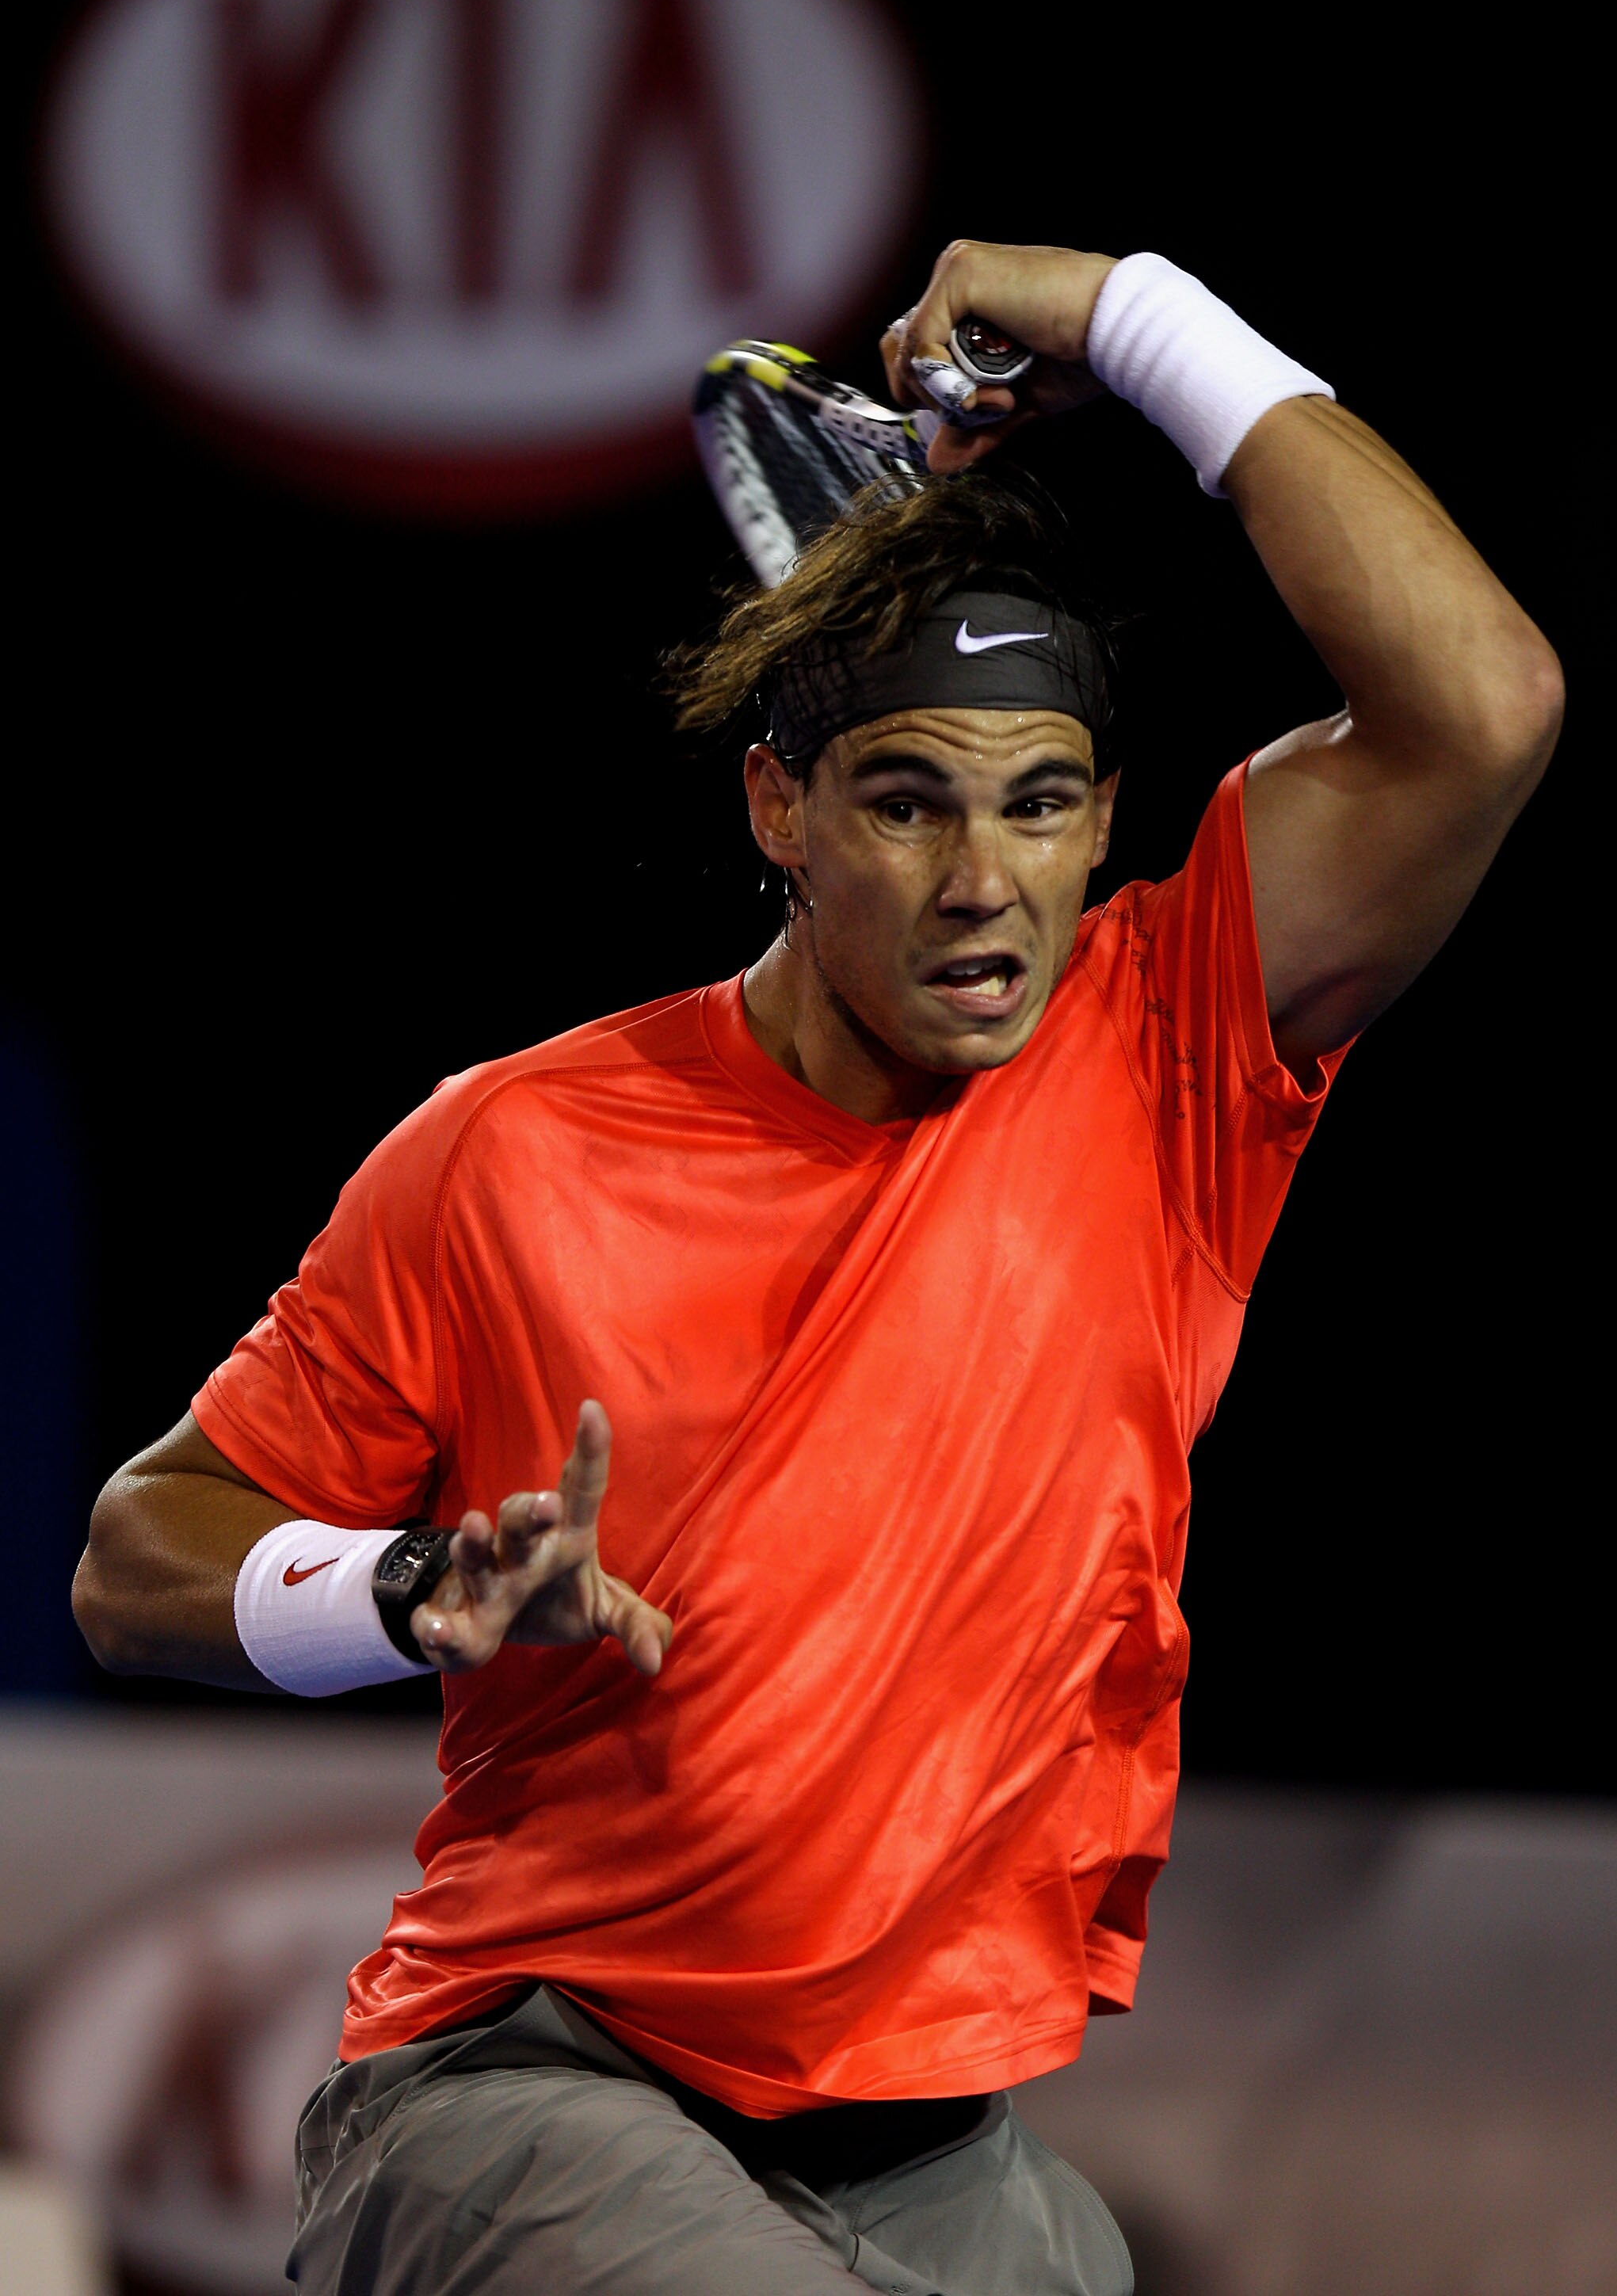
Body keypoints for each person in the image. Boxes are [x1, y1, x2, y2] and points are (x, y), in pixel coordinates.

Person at [72, 241, 1561, 2296]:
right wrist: (399, 1592)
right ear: (778, 806)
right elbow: (137, 1558)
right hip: (530, 2089)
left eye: (1039, 808)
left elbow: (1483, 701)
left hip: (938, 2139)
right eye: (906, 805)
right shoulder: (510, 1149)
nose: (983, 886)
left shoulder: (1164, 1049)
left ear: (1104, 821)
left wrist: (1128, 313)